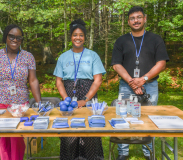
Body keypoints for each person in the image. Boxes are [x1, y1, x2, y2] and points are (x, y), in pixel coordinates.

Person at [111, 6, 169, 160]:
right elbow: (116, 64)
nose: (135, 20)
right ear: (128, 21)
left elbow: (161, 63)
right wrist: (131, 82)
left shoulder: (155, 39)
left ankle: (148, 152)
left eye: (138, 17)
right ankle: (123, 152)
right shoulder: (121, 40)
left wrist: (143, 79)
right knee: (123, 116)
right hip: (126, 85)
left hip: (150, 86)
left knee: (148, 118)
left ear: (145, 19)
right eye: (132, 18)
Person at [0, 24, 41, 160]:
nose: (15, 40)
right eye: (11, 36)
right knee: (4, 137)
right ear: (6, 37)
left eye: (19, 37)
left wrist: (39, 104)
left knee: (17, 137)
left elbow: (33, 81)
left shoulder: (28, 57)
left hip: (20, 105)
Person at [53, 19, 106, 160]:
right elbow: (59, 81)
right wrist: (66, 99)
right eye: (75, 35)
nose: (78, 38)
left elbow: (98, 80)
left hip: (88, 94)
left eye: (81, 35)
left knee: (89, 131)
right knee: (69, 131)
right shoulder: (63, 57)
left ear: (85, 37)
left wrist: (85, 100)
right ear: (71, 37)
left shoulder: (93, 55)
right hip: (69, 94)